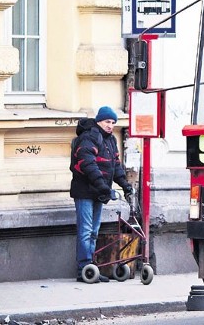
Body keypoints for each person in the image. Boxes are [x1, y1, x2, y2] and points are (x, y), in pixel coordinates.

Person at [70, 106, 133, 283]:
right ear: (99, 121)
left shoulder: (111, 140)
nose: (110, 125)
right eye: (107, 121)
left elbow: (116, 167)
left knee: (94, 231)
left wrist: (125, 185)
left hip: (99, 192)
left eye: (113, 122)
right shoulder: (89, 137)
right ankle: (84, 267)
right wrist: (104, 187)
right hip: (84, 191)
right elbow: (87, 164)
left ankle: (91, 267)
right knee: (86, 230)